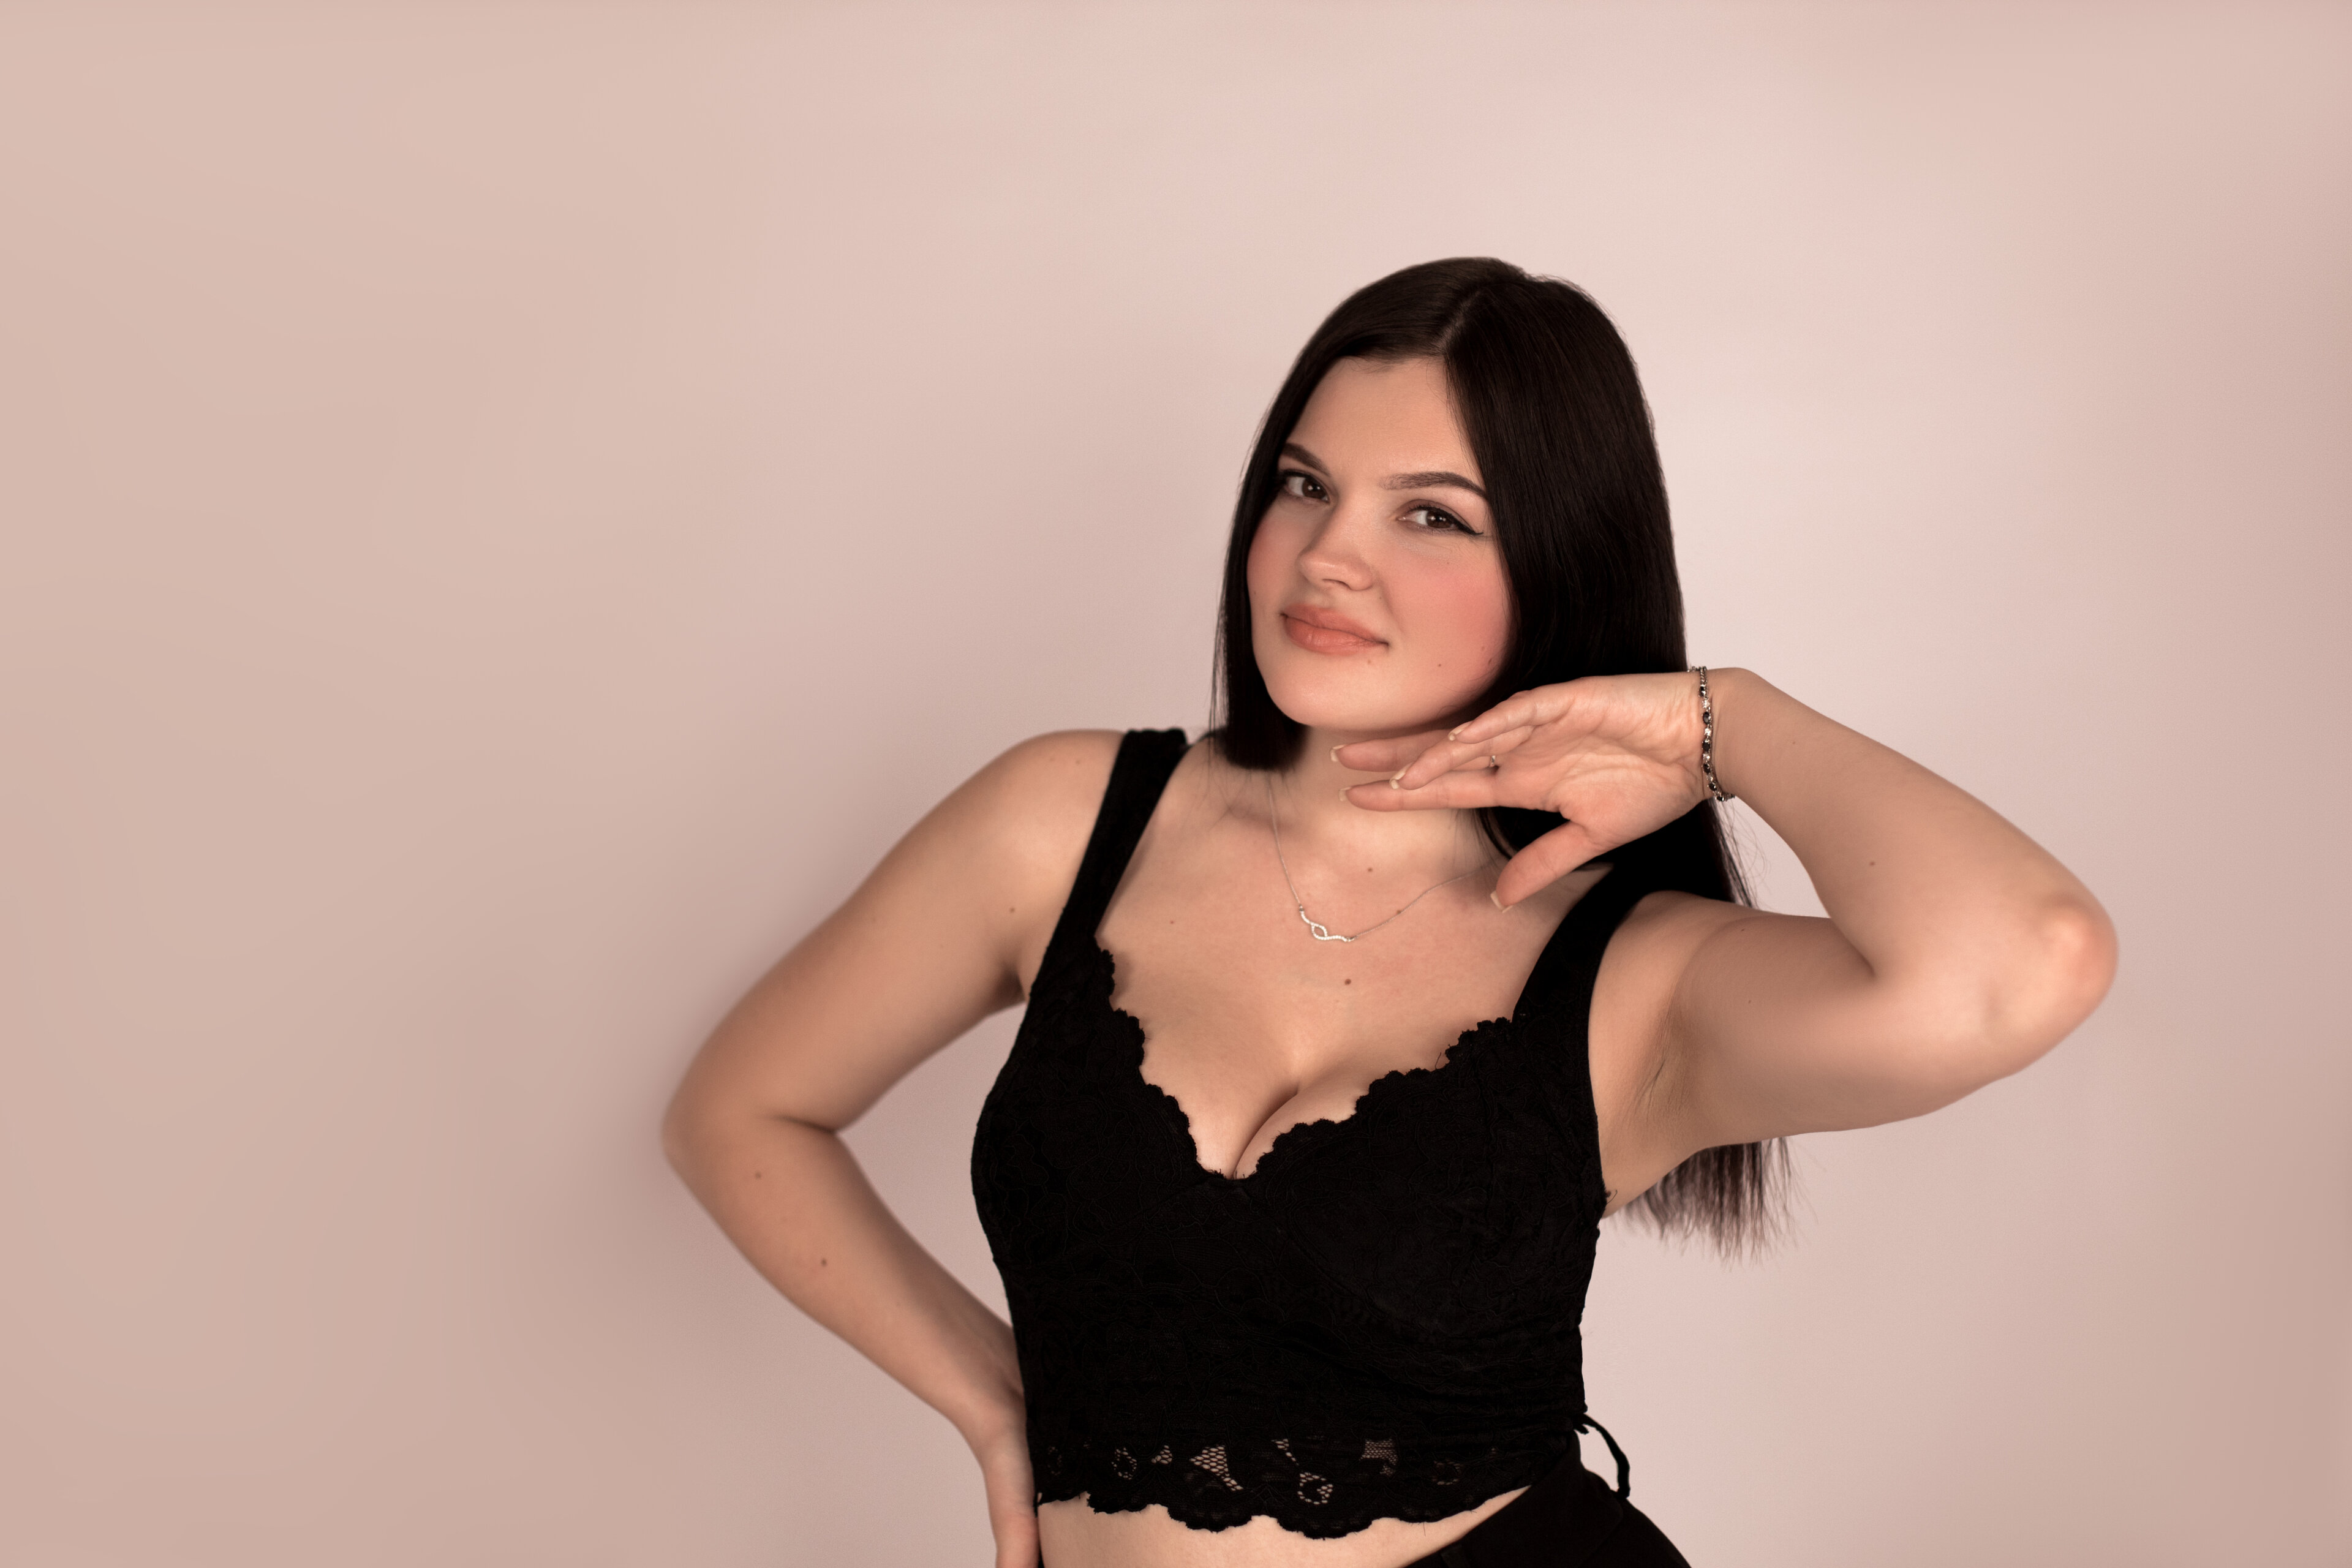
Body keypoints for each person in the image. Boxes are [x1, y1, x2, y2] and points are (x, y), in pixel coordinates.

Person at [662, 258, 2117, 1567]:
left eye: (1431, 514)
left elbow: (2025, 961)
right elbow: (742, 1109)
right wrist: (994, 1398)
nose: (1327, 556)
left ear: (1557, 560)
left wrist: (1720, 721)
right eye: (1305, 485)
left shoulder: (1637, 972)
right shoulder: (1062, 821)